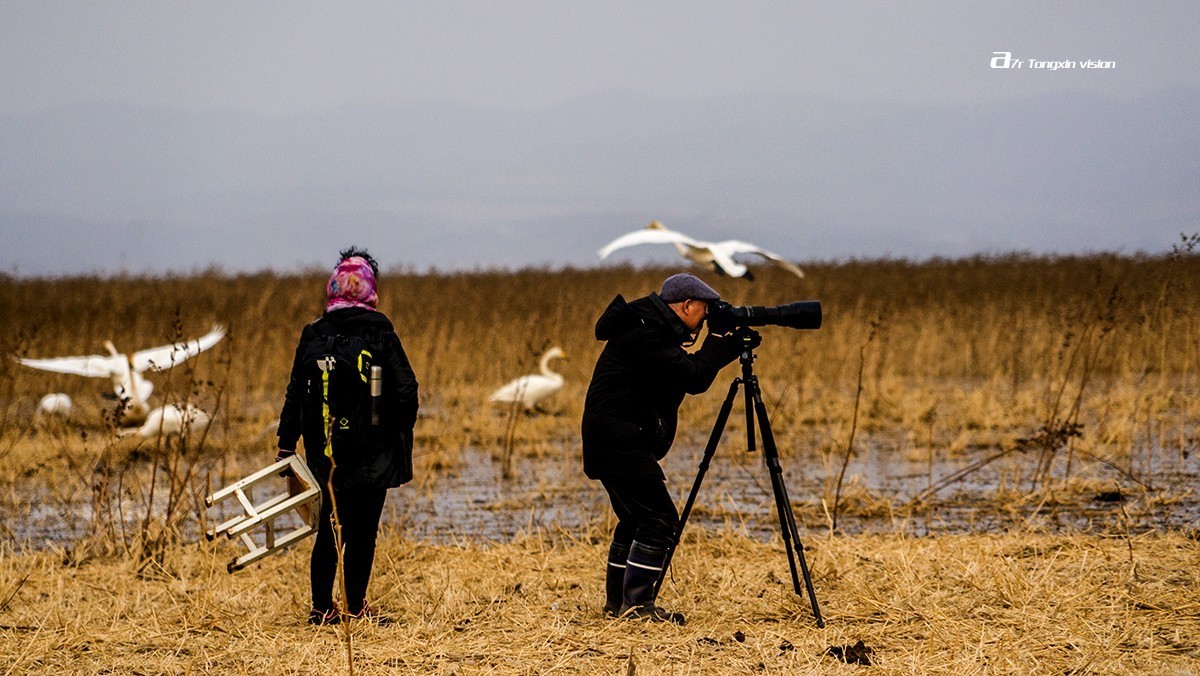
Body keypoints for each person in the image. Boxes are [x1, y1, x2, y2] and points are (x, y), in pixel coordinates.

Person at [581, 272, 747, 624]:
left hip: (613, 438)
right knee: (659, 520)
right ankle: (637, 608)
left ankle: (618, 605)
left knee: (635, 518)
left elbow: (687, 373)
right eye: (705, 310)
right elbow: (695, 378)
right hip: (618, 440)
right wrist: (718, 341)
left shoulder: (650, 326)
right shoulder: (647, 333)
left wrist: (723, 347)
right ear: (686, 305)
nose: (706, 318)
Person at [276, 247, 419, 625]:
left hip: (323, 448)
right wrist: (398, 435)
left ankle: (321, 609)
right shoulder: (381, 331)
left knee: (329, 528)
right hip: (373, 450)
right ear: (370, 289)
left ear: (334, 287)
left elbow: (295, 391)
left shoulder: (314, 333)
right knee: (364, 531)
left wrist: (286, 446)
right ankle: (356, 607)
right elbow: (407, 389)